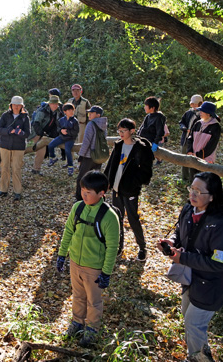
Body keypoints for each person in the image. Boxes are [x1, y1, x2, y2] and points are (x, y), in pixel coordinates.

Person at [157, 172, 223, 362]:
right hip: (191, 279)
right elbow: (179, 231)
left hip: (212, 285)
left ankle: (200, 359)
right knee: (188, 316)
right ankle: (198, 353)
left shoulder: (220, 226)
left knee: (193, 322)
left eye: (198, 191)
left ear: (212, 196)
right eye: (191, 188)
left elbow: (219, 263)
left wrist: (182, 258)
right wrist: (172, 241)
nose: (192, 194)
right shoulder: (188, 209)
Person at [56, 171, 120, 347]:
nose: (83, 194)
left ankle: (91, 329)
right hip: (75, 262)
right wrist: (62, 255)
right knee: (77, 296)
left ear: (101, 193)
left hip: (94, 267)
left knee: (94, 301)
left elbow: (112, 248)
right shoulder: (77, 207)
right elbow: (68, 231)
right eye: (82, 190)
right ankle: (77, 322)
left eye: (88, 192)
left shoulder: (109, 217)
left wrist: (106, 272)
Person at [104, 118, 154, 261]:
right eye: (119, 131)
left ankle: (142, 248)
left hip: (130, 190)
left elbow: (146, 171)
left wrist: (135, 183)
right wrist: (106, 182)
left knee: (133, 219)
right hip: (116, 188)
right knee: (116, 219)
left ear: (132, 131)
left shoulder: (141, 148)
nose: (120, 133)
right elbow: (111, 165)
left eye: (123, 131)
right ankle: (118, 247)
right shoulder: (118, 145)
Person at [0, 96, 30, 201]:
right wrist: (9, 131)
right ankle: (3, 190)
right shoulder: (5, 115)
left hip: (19, 147)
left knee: (16, 168)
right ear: (11, 105)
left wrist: (21, 132)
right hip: (5, 146)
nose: (16, 106)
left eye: (18, 105)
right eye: (15, 104)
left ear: (22, 106)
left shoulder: (25, 117)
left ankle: (17, 192)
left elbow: (28, 133)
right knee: (4, 167)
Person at [75, 106, 108, 200]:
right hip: (99, 156)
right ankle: (96, 198)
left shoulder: (91, 124)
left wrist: (81, 156)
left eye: (92, 113)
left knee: (81, 178)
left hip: (89, 156)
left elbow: (86, 142)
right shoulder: (104, 124)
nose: (89, 114)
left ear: (98, 114)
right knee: (95, 178)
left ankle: (79, 198)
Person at [29, 95, 62, 175]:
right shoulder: (42, 111)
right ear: (49, 104)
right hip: (35, 133)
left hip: (45, 134)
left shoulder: (57, 112)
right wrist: (41, 134)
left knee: (41, 150)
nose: (55, 105)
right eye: (53, 104)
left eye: (56, 104)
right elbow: (36, 124)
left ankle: (36, 169)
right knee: (27, 148)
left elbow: (56, 124)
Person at [187, 101, 222, 175]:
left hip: (206, 159)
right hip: (193, 157)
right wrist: (190, 151)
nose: (200, 113)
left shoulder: (216, 127)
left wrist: (198, 155)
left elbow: (212, 145)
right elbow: (190, 138)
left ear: (208, 114)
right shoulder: (198, 123)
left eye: (202, 111)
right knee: (193, 178)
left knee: (204, 181)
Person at [47, 103, 79, 176]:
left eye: (72, 110)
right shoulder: (61, 120)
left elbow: (76, 132)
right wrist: (61, 130)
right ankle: (53, 158)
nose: (71, 112)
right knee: (51, 145)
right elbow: (58, 128)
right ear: (65, 112)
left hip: (70, 138)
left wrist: (67, 132)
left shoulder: (75, 121)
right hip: (62, 137)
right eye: (69, 110)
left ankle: (70, 167)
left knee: (68, 150)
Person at [180, 95, 203, 182]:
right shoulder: (188, 113)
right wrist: (184, 128)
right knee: (183, 158)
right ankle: (184, 177)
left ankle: (193, 179)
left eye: (194, 104)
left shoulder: (202, 114)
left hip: (196, 141)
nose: (193, 106)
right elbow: (181, 122)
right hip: (186, 139)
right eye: (192, 104)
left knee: (194, 160)